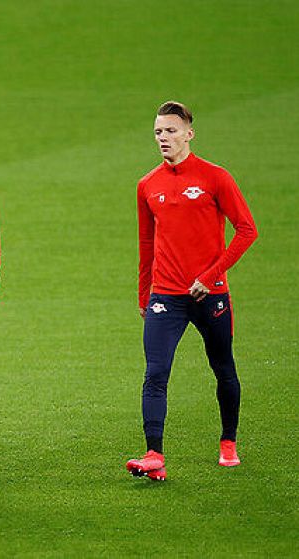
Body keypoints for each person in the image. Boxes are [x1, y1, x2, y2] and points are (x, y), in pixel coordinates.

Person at [126, 101, 258, 481]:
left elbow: (247, 230)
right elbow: (146, 245)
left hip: (210, 295)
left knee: (223, 368)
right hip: (165, 297)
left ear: (189, 133)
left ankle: (228, 442)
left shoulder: (215, 177)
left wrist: (212, 274)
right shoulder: (147, 185)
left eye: (169, 131)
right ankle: (154, 455)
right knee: (155, 373)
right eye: (157, 132)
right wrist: (143, 297)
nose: (162, 138)